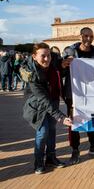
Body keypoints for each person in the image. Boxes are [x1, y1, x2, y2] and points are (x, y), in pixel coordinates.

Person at [21, 43, 73, 174]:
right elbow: (42, 98)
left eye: (48, 55)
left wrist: (64, 64)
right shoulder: (31, 73)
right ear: (34, 56)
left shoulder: (54, 62)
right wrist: (61, 117)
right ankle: (38, 162)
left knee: (52, 130)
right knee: (43, 132)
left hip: (53, 101)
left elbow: (61, 69)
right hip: (37, 106)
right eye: (42, 56)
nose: (46, 59)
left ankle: (51, 158)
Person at [62, 27, 94, 164]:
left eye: (91, 36)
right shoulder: (69, 51)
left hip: (91, 93)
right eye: (86, 36)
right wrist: (63, 64)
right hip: (73, 93)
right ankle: (75, 149)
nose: (88, 39)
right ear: (80, 36)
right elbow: (61, 69)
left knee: (91, 118)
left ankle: (93, 145)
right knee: (74, 121)